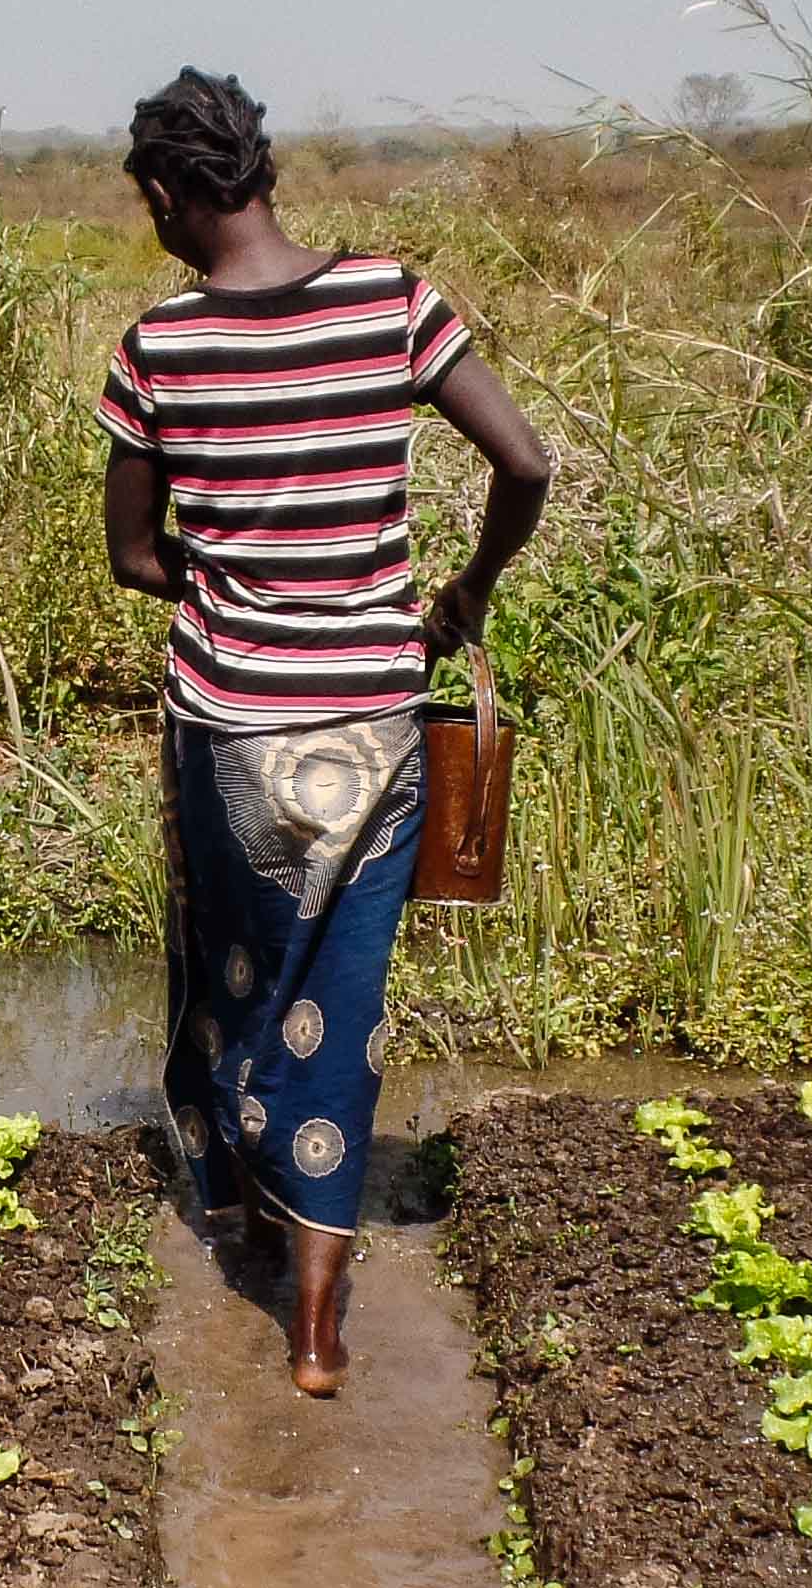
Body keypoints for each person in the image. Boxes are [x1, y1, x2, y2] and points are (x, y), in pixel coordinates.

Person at [99, 69, 548, 1395]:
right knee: (339, 1008)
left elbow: (133, 555)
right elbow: (525, 463)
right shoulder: (392, 299)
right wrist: (460, 593)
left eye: (154, 208)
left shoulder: (159, 348)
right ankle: (315, 1326)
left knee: (239, 973)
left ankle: (235, 1197)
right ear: (260, 172)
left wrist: (230, 581)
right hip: (377, 724)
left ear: (176, 192)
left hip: (234, 727)